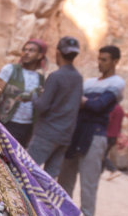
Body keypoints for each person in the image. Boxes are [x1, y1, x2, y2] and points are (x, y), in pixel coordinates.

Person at [59, 45, 125, 216]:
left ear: (115, 61)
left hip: (95, 135)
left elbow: (99, 105)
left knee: (88, 183)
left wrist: (80, 100)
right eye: (99, 59)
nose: (100, 63)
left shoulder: (117, 82)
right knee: (65, 179)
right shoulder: (89, 83)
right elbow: (88, 104)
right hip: (76, 132)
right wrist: (85, 102)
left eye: (104, 60)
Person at [26, 36, 84, 177]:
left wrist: (34, 97)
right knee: (49, 178)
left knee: (26, 172)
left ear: (57, 52)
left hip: (46, 133)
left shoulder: (55, 76)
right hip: (65, 136)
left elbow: (42, 106)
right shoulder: (78, 78)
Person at [0, 40, 47, 146]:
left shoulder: (40, 78)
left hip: (27, 127)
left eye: (31, 50)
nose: (26, 53)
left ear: (40, 55)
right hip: (6, 122)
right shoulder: (9, 69)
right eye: (24, 50)